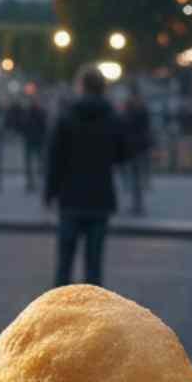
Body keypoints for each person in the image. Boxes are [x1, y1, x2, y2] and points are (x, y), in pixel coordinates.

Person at [45, 67, 130, 287]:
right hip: (100, 196)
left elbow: (55, 159)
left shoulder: (67, 116)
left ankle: (59, 314)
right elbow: (122, 155)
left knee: (65, 262)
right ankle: (93, 316)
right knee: (94, 264)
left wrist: (50, 192)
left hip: (71, 196)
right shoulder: (112, 117)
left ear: (81, 86)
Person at [121, 86, 153, 215]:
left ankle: (137, 204)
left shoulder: (133, 111)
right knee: (136, 176)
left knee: (135, 176)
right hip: (138, 147)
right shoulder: (140, 110)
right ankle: (137, 203)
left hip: (135, 148)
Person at [21, 96, 48, 193]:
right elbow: (44, 127)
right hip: (35, 140)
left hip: (34, 140)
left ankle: (32, 182)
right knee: (35, 162)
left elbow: (24, 125)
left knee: (34, 162)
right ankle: (33, 181)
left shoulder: (29, 113)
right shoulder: (39, 113)